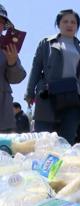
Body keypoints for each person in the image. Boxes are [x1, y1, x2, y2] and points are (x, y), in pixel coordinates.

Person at [25, 9, 80, 144]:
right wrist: (29, 92)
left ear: (77, 26)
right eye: (65, 21)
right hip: (47, 94)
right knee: (42, 138)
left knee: (66, 140)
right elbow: (36, 68)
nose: (69, 25)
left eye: (73, 22)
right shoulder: (46, 43)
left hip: (72, 98)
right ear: (58, 24)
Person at [0, 4, 26, 133]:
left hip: (3, 113)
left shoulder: (7, 47)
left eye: (1, 22)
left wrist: (12, 63)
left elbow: (18, 78)